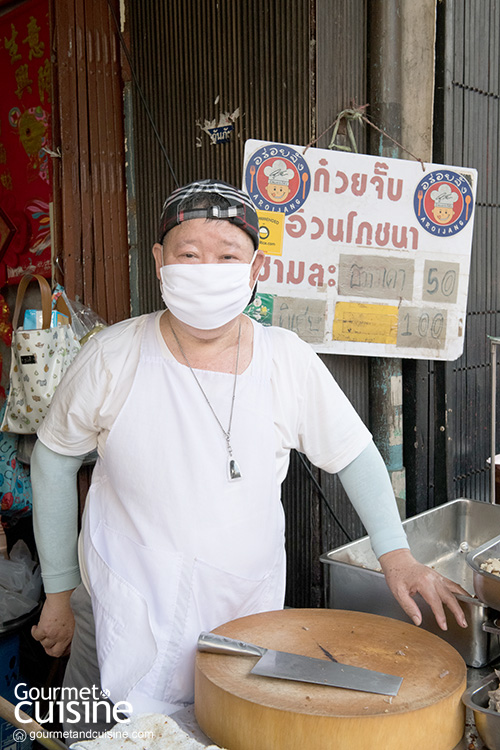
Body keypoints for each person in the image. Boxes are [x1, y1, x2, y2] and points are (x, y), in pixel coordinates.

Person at [30, 179, 468, 735]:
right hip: (117, 607)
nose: (206, 268)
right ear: (161, 261)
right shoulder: (112, 355)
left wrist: (396, 555)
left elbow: (356, 455)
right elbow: (52, 459)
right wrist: (59, 592)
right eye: (189, 254)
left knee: (230, 735)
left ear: (256, 268)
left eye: (227, 255)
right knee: (96, 739)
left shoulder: (285, 360)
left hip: (243, 617)